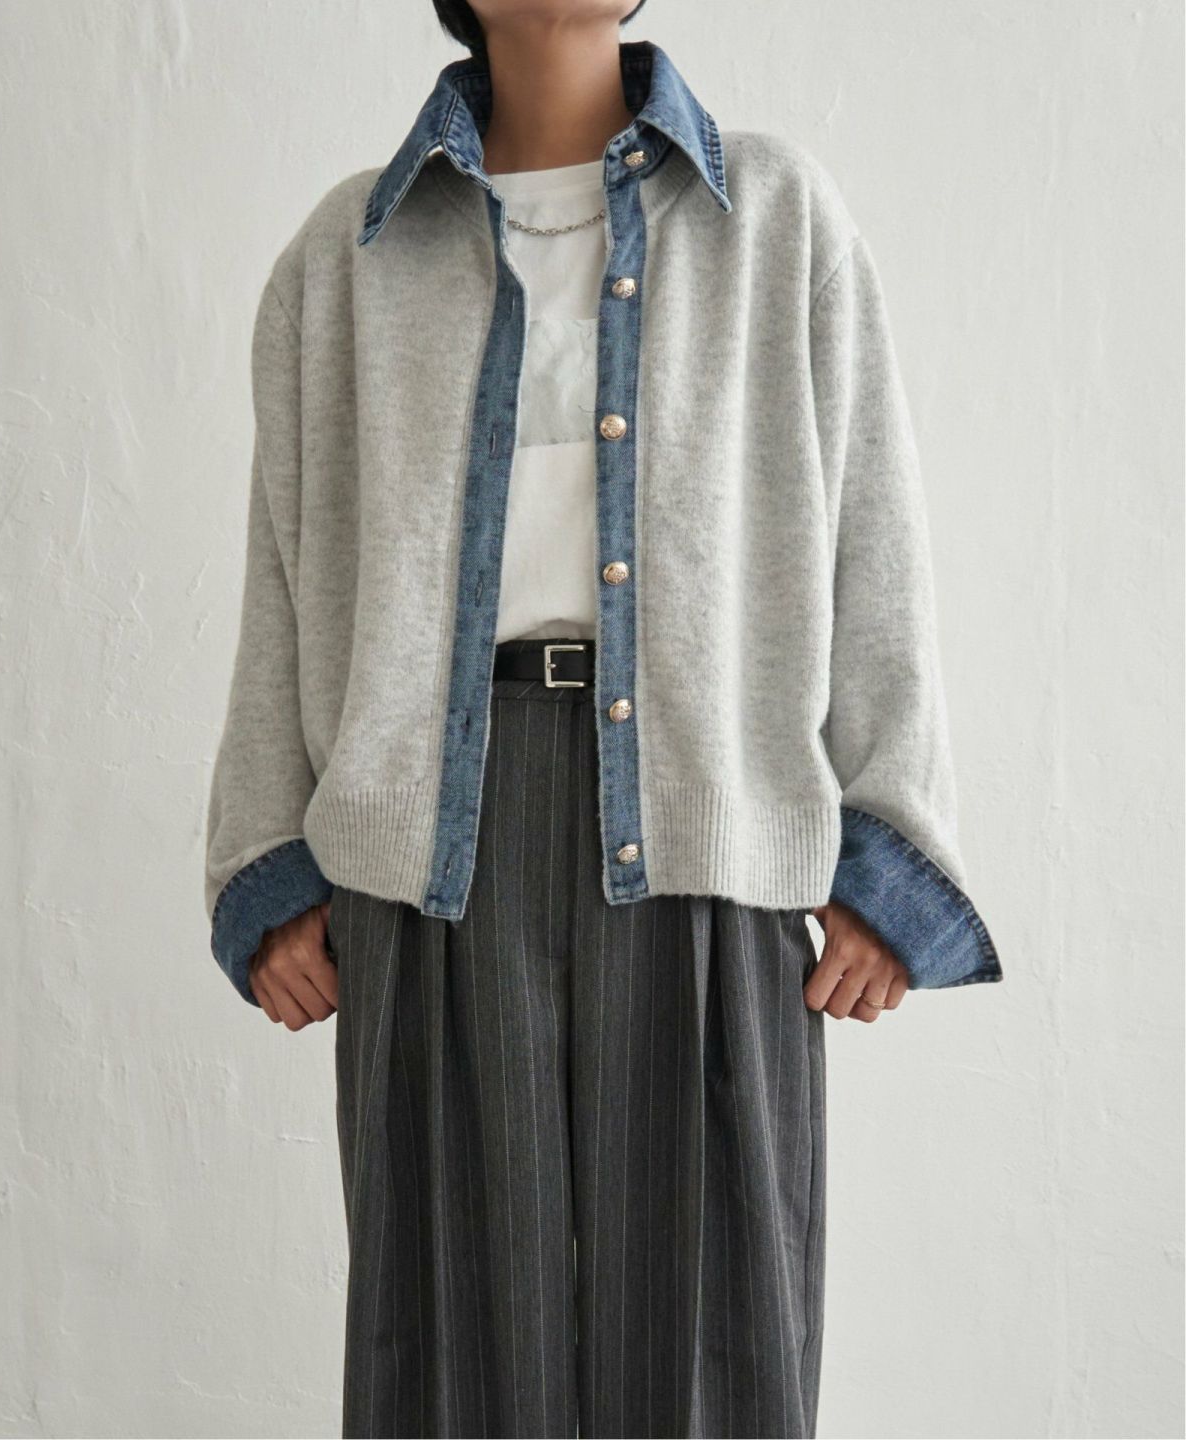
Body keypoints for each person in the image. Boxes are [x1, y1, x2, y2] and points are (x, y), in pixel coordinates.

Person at [203, 2, 1003, 1436]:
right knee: (450, 1364)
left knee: (711, 1360)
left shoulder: (774, 217)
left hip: (703, 832)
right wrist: (265, 862)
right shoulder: (348, 255)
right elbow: (285, 567)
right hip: (435, 859)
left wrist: (891, 846)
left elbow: (875, 536)